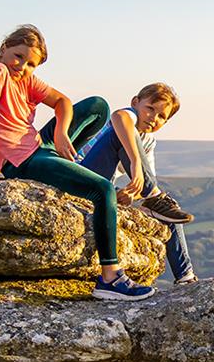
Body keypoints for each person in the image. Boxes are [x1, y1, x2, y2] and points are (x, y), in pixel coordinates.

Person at [0, 26, 154, 301]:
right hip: (19, 160)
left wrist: (59, 133)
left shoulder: (25, 79)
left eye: (30, 63)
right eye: (18, 56)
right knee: (103, 190)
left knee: (98, 106)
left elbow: (62, 101)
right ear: (3, 50)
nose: (21, 66)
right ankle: (110, 277)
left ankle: (66, 160)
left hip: (38, 145)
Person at [75, 82, 198, 284]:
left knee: (167, 211)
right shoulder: (127, 116)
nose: (153, 117)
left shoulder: (148, 141)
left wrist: (133, 193)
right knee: (124, 133)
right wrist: (134, 161)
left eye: (161, 117)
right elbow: (119, 118)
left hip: (101, 184)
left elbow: (147, 181)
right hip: (79, 174)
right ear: (135, 102)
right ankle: (156, 199)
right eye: (150, 108)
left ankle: (186, 277)